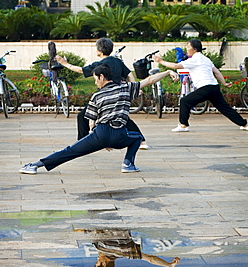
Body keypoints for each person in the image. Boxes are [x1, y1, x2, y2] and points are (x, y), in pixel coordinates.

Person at [19, 64, 178, 175]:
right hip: (120, 135)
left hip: (100, 133)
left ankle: (34, 165)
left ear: (102, 77)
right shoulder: (126, 88)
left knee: (71, 151)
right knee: (136, 138)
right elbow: (149, 80)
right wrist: (167, 72)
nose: (95, 82)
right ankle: (128, 164)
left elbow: (91, 121)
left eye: (95, 78)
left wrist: (98, 140)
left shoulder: (96, 95)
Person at [55, 37, 148, 149]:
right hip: (119, 94)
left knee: (83, 116)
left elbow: (80, 70)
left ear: (99, 51)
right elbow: (129, 74)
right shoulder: (117, 61)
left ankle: (82, 144)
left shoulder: (100, 64)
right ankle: (142, 141)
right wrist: (134, 87)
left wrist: (64, 63)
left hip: (104, 95)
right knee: (123, 118)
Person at [152, 39, 248, 132]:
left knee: (185, 101)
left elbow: (176, 66)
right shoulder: (206, 59)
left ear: (194, 49)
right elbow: (216, 72)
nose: (186, 49)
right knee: (224, 108)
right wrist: (224, 83)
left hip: (205, 88)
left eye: (188, 47)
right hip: (214, 87)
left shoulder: (195, 60)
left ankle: (183, 125)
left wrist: (160, 61)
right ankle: (243, 124)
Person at [93, 236, 180, 267]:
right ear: (104, 264)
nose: (98, 258)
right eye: (98, 261)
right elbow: (151, 259)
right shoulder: (99, 247)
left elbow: (151, 259)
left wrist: (169, 265)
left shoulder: (127, 253)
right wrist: (168, 265)